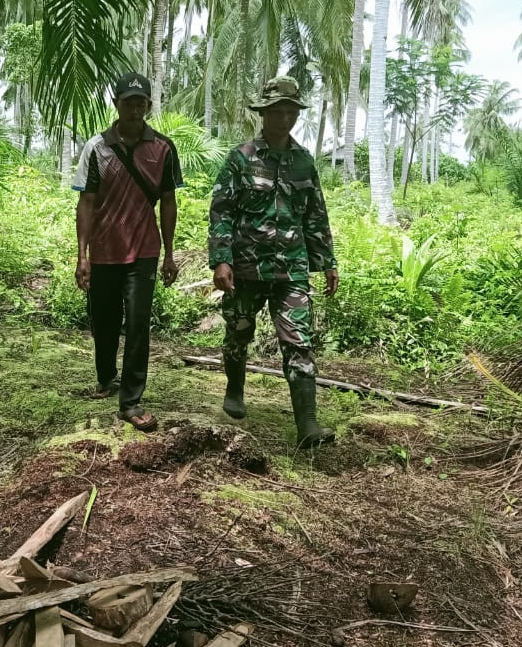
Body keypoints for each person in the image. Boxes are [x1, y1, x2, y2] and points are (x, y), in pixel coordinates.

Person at [208, 76, 340, 445]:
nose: (284, 119)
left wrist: (327, 260)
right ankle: (235, 388)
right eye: (277, 112)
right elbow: (221, 211)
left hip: (291, 269)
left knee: (299, 341)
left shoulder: (303, 162)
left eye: (290, 112)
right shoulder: (242, 157)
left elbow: (316, 213)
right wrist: (221, 260)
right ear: (263, 114)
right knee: (238, 334)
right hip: (246, 267)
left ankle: (307, 425)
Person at [74, 72, 184, 432]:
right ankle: (107, 377)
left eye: (141, 102)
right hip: (104, 250)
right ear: (117, 105)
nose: (135, 109)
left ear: (149, 106)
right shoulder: (97, 148)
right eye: (128, 102)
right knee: (104, 321)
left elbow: (169, 201)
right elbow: (87, 202)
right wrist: (82, 255)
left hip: (144, 251)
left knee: (137, 324)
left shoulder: (164, 149)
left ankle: (131, 401)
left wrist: (170, 253)